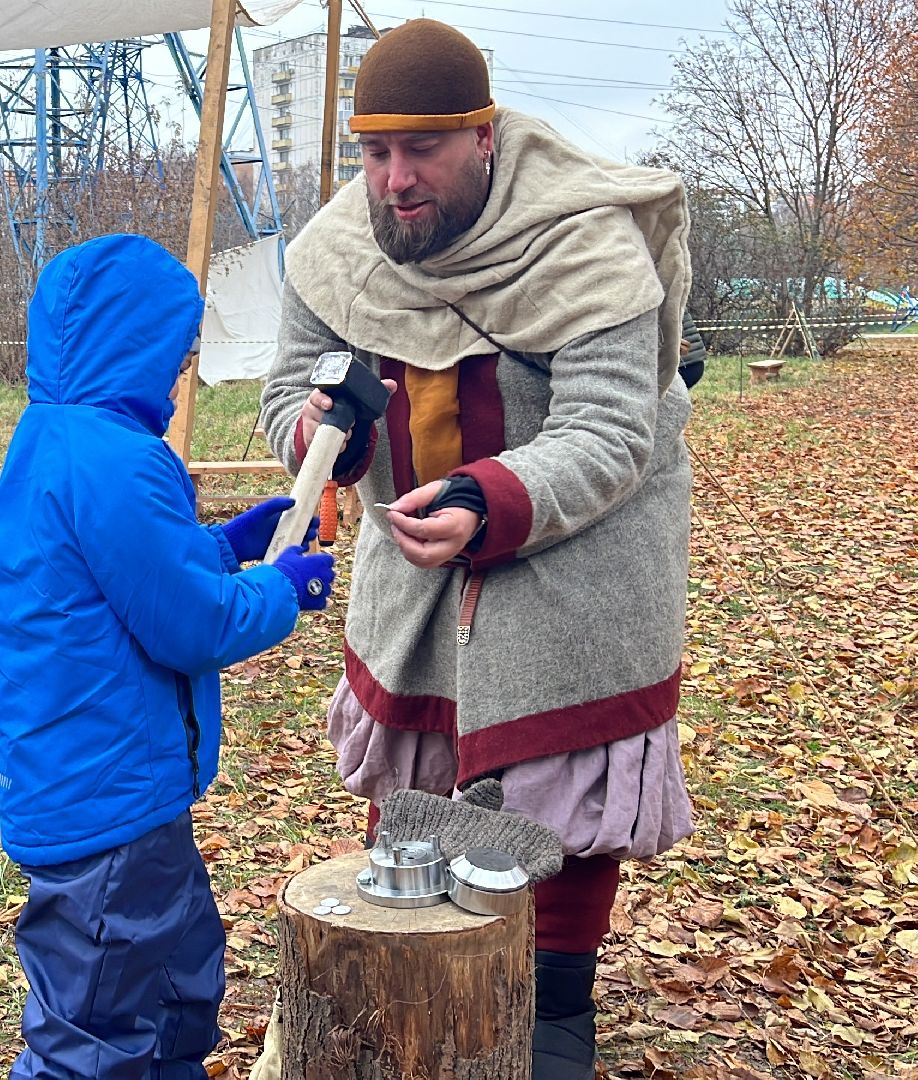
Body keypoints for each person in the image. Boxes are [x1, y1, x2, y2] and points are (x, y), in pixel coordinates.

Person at [259, 20, 696, 1080]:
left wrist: (492, 496)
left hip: (578, 545)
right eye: (376, 152)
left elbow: (610, 429)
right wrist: (334, 433)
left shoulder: (582, 240)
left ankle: (554, 1010)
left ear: (484, 137)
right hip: (412, 553)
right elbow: (286, 399)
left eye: (424, 150)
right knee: (421, 758)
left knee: (559, 782)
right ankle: (420, 958)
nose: (395, 180)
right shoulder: (337, 250)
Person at [0, 234, 336, 1079]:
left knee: (177, 983)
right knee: (94, 1030)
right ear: (131, 347)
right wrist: (281, 586)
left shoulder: (56, 439)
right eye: (175, 360)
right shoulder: (117, 461)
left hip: (115, 792)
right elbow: (193, 625)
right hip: (109, 806)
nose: (178, 380)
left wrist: (221, 545)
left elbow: (129, 577)